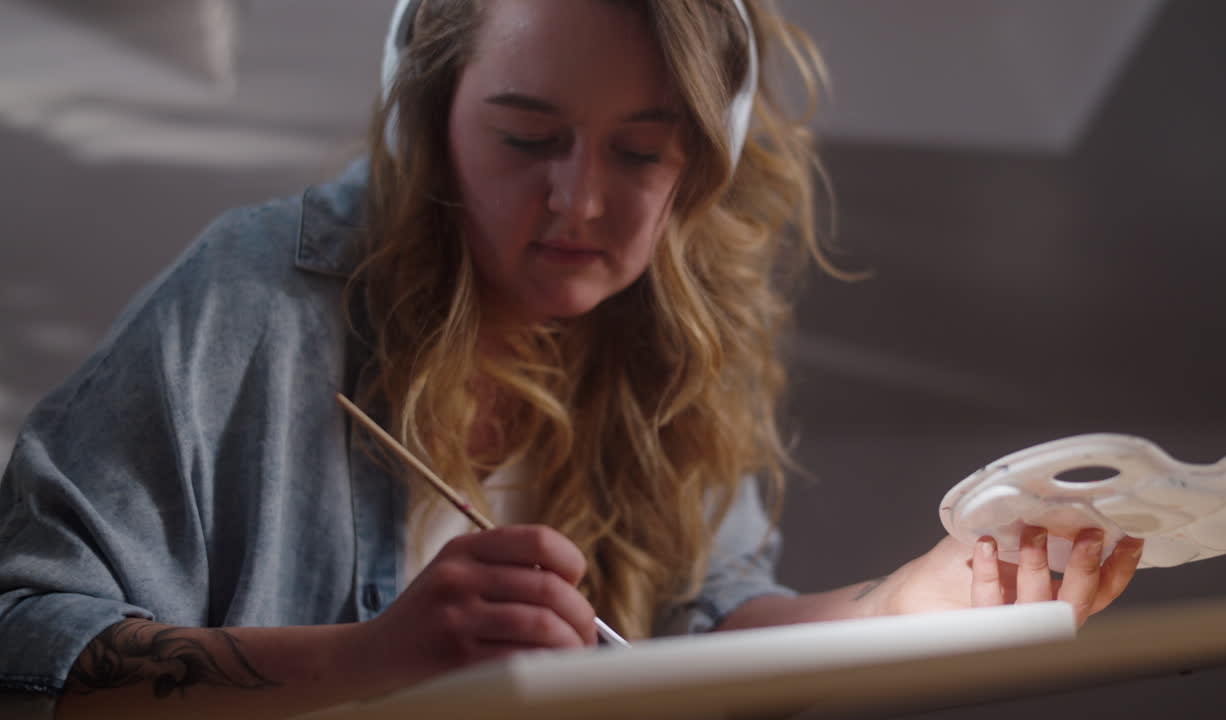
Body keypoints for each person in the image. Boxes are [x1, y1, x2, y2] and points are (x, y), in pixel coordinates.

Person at [0, 1, 1144, 718]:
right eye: (525, 138)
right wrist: (374, 656)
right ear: (428, 114)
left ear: (699, 163)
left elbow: (702, 629)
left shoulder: (673, 332)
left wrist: (908, 602)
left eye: (640, 154)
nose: (581, 202)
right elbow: (21, 646)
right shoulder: (256, 298)